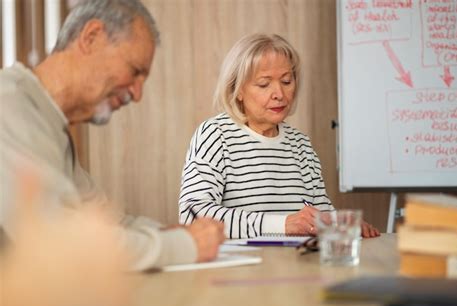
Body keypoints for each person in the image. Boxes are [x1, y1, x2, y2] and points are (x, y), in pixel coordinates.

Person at [0, 0, 225, 272]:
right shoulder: (8, 102)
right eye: (135, 71)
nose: (137, 94)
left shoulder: (50, 122)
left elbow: (103, 221)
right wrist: (182, 246)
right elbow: (57, 241)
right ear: (91, 37)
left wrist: (174, 234)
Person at [178, 34, 380, 239]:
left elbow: (319, 216)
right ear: (237, 90)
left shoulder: (301, 145)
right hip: (242, 268)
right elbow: (193, 217)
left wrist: (341, 223)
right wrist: (282, 224)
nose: (280, 94)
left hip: (298, 266)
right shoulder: (215, 135)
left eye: (286, 81)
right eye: (264, 84)